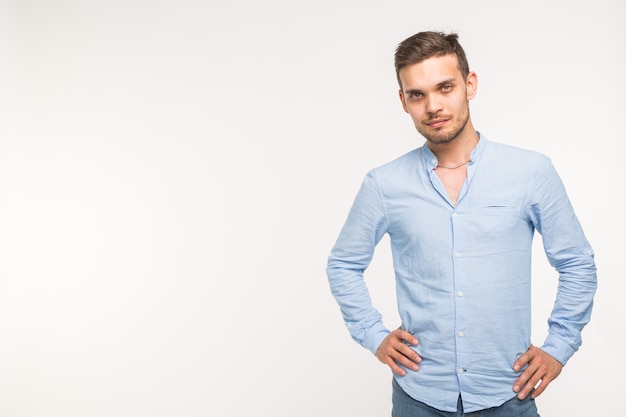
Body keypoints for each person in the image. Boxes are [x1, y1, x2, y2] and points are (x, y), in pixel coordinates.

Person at [326, 31, 597, 416]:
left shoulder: (530, 171)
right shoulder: (384, 185)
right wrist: (374, 335)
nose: (433, 105)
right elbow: (343, 265)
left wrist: (559, 346)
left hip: (507, 394)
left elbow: (576, 263)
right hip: (419, 397)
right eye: (417, 94)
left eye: (445, 87)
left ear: (469, 85)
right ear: (403, 102)